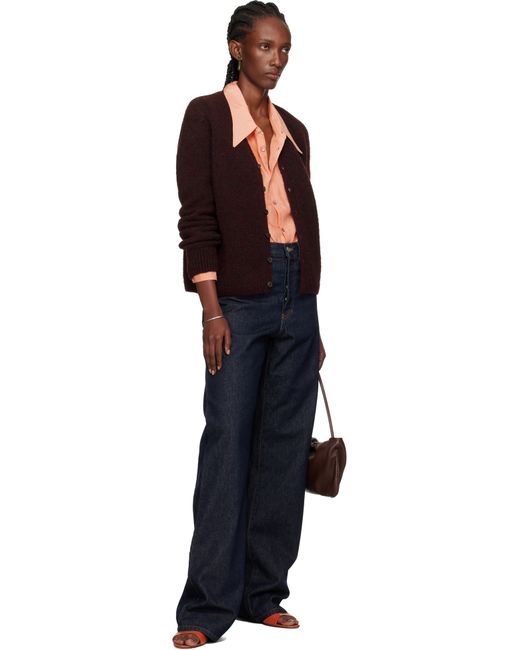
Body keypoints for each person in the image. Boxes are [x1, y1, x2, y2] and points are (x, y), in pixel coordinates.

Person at [173, 2, 325, 647]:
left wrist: (311, 319)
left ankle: (263, 594)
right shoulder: (206, 116)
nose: (277, 59)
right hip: (236, 300)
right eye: (266, 47)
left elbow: (300, 223)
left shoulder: (296, 129)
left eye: (284, 49)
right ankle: (206, 608)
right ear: (237, 48)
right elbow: (197, 218)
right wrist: (210, 308)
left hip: (298, 298)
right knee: (227, 446)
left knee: (284, 453)